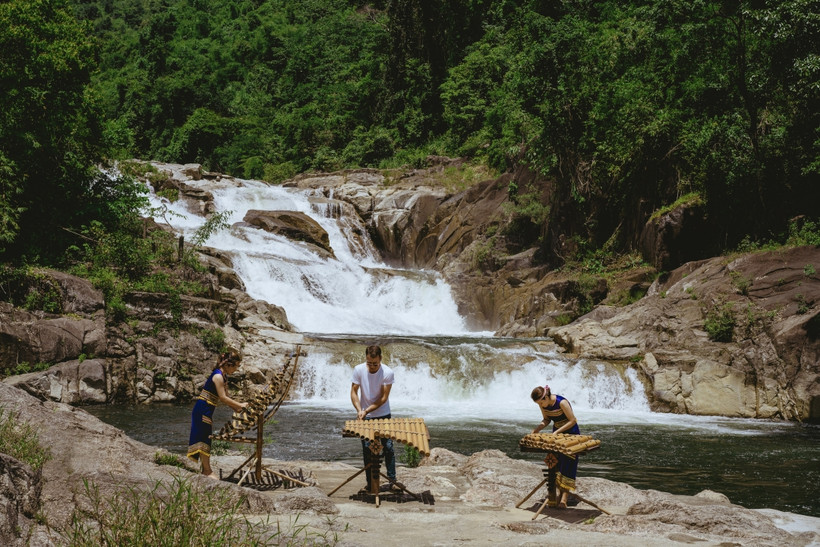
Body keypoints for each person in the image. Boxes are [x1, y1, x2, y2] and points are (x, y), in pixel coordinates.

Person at [187, 348, 248, 478]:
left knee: (205, 436)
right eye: (236, 366)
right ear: (228, 364)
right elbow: (223, 398)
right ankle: (207, 471)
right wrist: (240, 405)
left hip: (207, 409)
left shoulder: (223, 376)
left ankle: (205, 469)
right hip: (203, 409)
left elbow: (227, 397)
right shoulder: (218, 376)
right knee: (204, 437)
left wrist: (237, 408)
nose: (236, 369)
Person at [350, 345, 397, 493]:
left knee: (388, 447)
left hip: (383, 414)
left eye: (375, 364)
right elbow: (353, 391)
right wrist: (359, 410)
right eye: (369, 363)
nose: (371, 366)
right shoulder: (358, 370)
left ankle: (392, 480)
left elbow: (383, 398)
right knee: (367, 449)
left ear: (380, 359)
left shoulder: (387, 372)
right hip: (365, 416)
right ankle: (370, 484)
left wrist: (366, 410)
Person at [531, 384, 580, 508]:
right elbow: (546, 419)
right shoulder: (543, 404)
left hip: (571, 433)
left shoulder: (562, 402)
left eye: (541, 403)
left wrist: (557, 432)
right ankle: (556, 494)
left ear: (546, 398)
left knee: (568, 462)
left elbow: (573, 420)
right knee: (554, 461)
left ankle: (564, 498)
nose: (540, 406)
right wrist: (537, 429)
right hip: (556, 433)